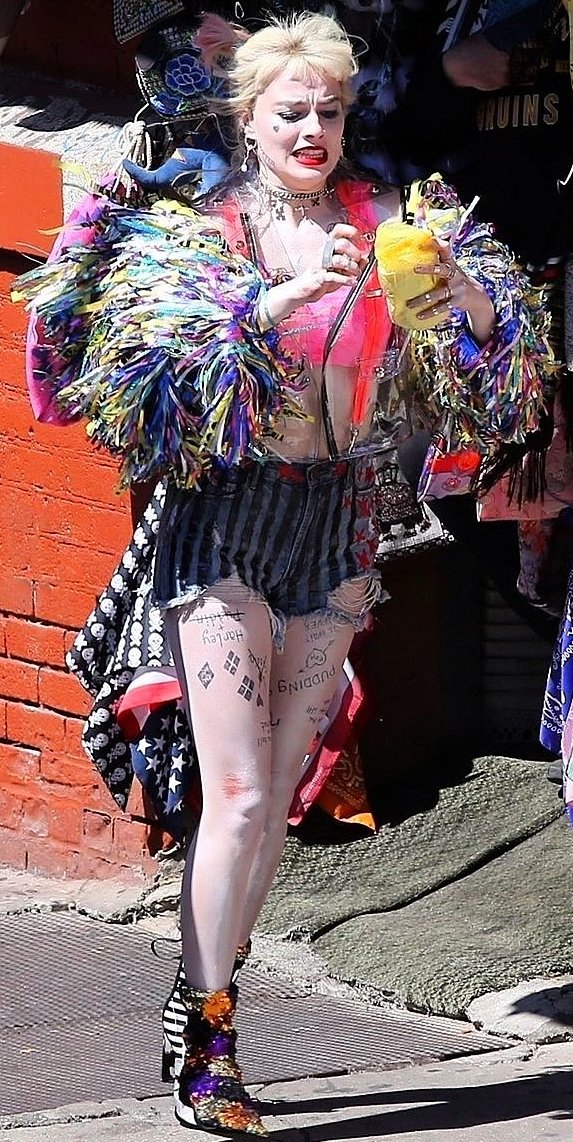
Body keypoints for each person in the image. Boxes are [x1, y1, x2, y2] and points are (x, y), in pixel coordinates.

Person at [14, 12, 553, 1137]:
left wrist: (466, 299)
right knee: (241, 792)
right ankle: (211, 1037)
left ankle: (197, 989)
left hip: (338, 523)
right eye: (291, 111)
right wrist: (278, 303)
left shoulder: (393, 222)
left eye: (331, 111)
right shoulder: (204, 232)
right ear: (249, 118)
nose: (313, 129)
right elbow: (147, 383)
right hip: (226, 521)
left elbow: (500, 381)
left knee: (275, 795)